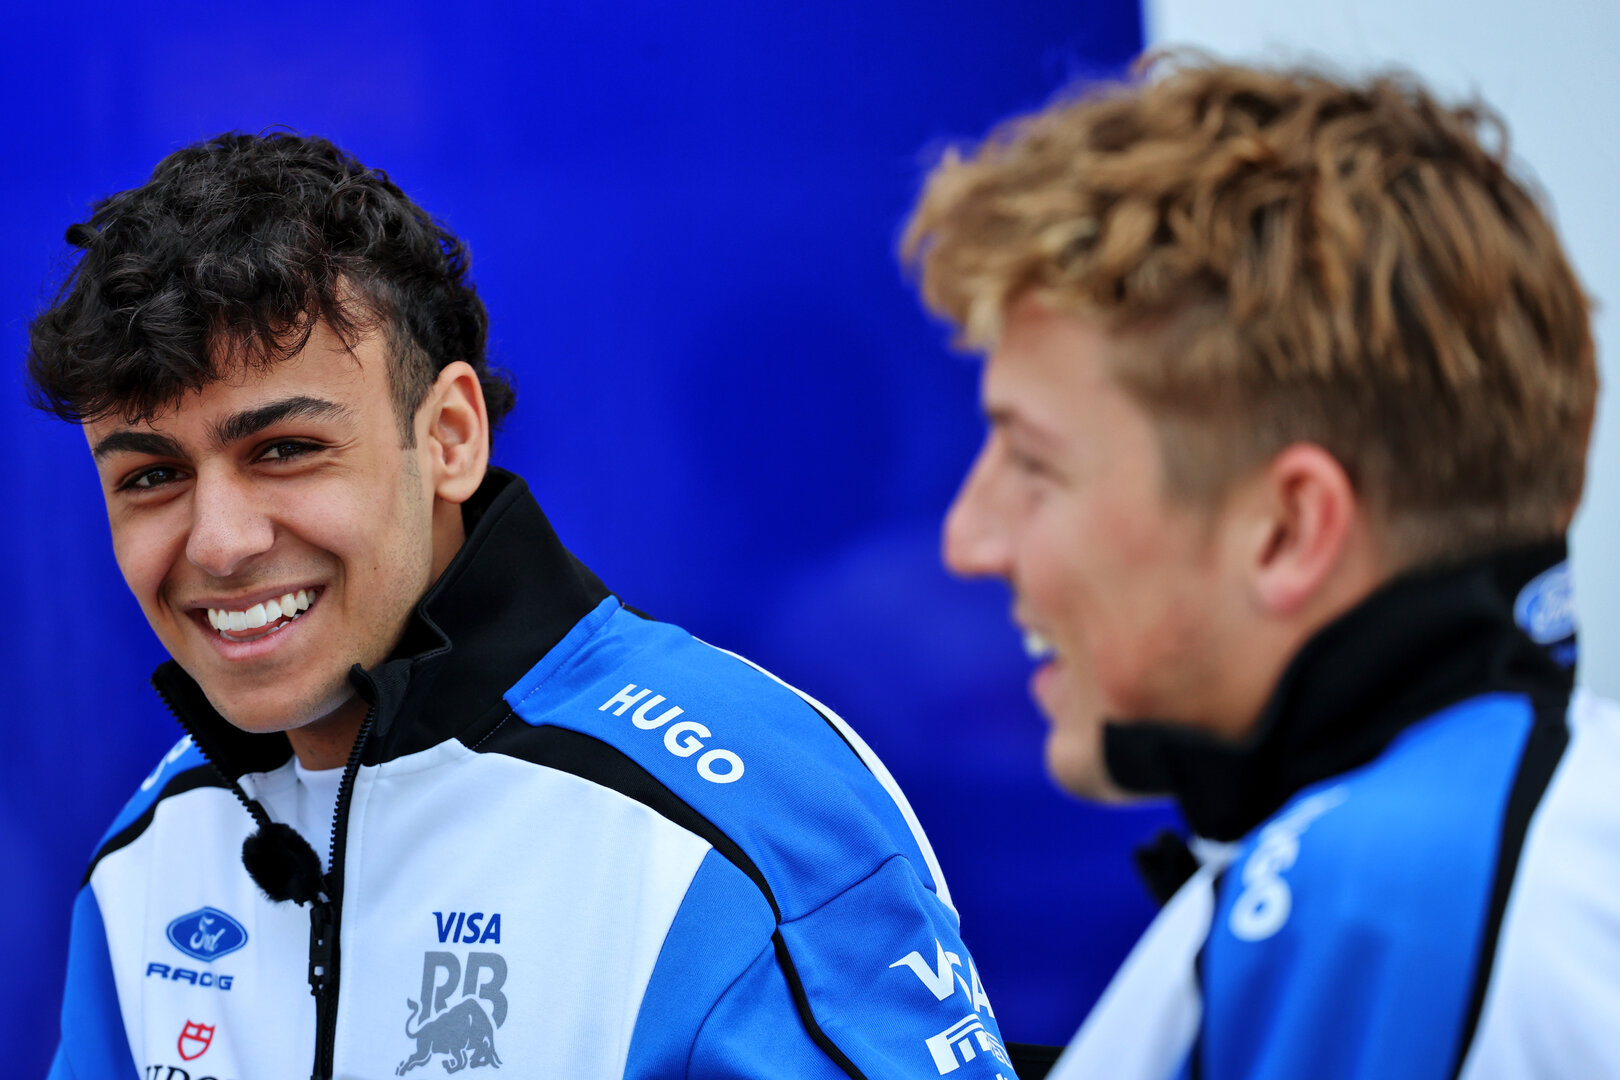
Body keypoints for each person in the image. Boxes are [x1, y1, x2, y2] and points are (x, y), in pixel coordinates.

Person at [31, 133, 1015, 1080]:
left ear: (452, 438)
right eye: (152, 476)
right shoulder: (149, 848)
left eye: (283, 450)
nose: (218, 541)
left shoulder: (740, 820)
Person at [903, 56, 1619, 1079]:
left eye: (1031, 462)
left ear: (1287, 530)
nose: (969, 541)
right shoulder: (1500, 849)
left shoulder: (1376, 907)